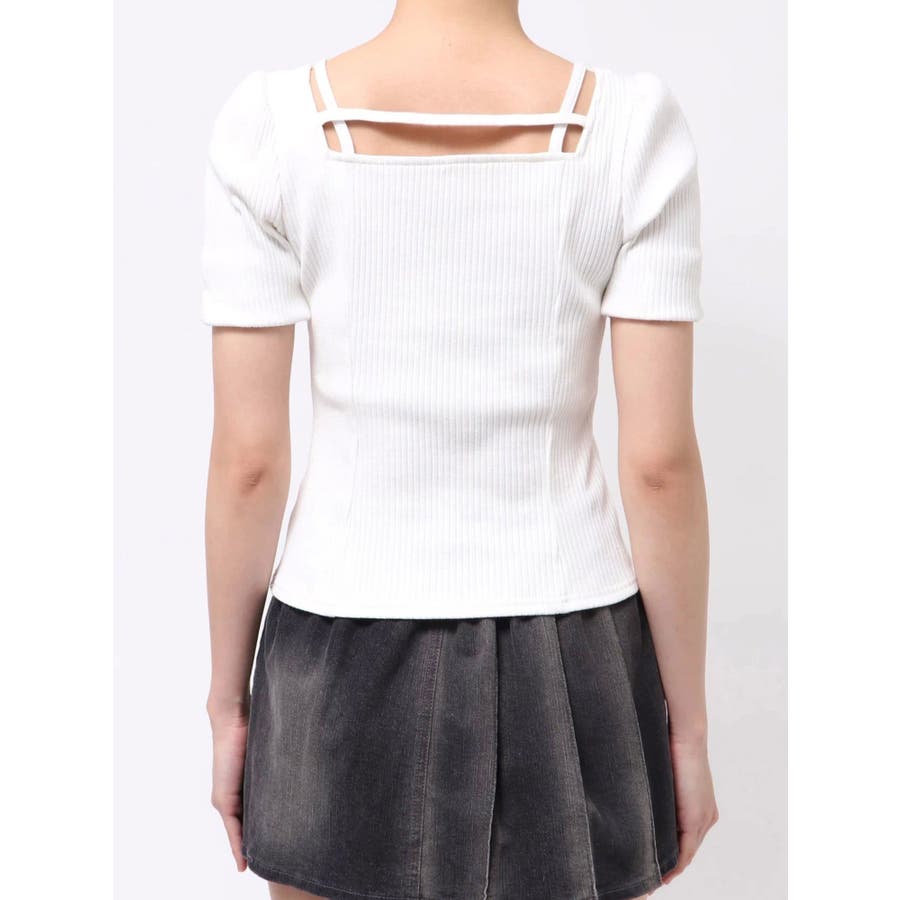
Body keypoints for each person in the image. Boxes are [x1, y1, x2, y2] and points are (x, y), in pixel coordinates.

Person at [201, 3, 719, 899]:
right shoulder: (633, 132)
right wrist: (689, 730)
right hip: (571, 645)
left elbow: (248, 460)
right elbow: (658, 465)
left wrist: (227, 705)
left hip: (332, 649)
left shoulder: (270, 129)